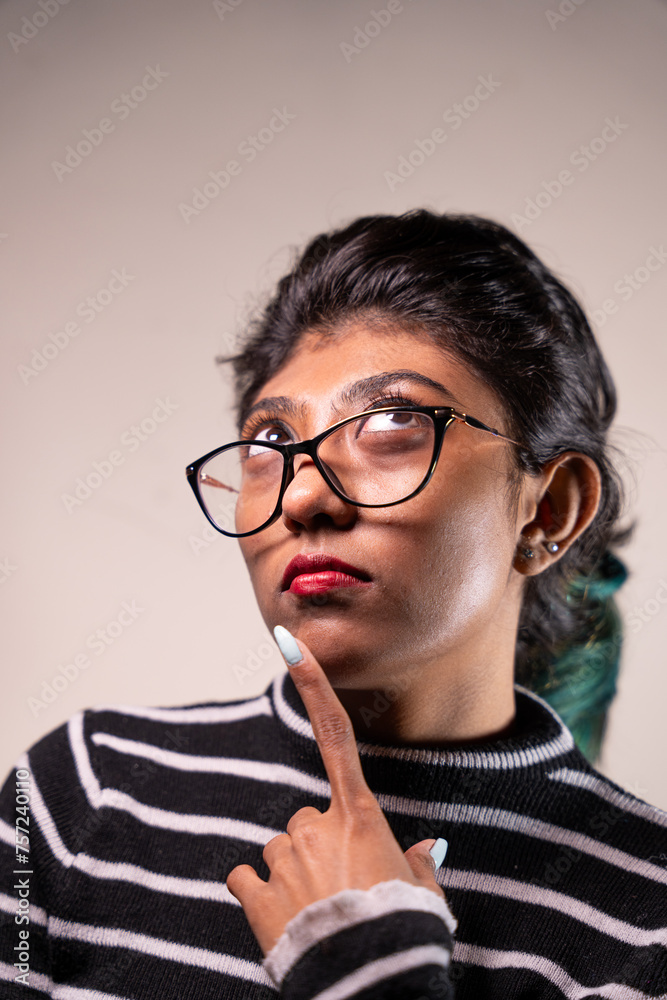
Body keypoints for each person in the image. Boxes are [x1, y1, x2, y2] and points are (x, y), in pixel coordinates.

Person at [1, 210, 666, 999]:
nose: (302, 494)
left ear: (548, 509)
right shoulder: (82, 792)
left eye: (392, 423)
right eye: (267, 446)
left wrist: (364, 966)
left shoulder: (649, 921)